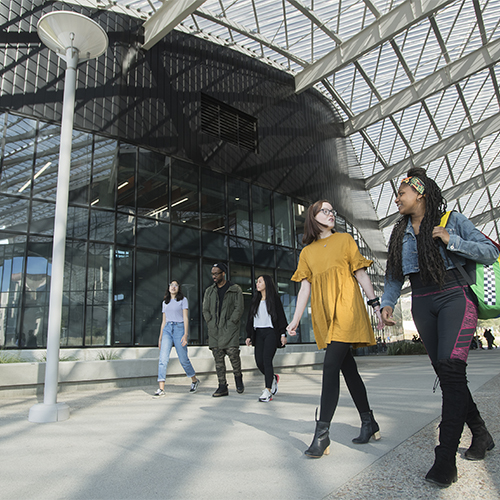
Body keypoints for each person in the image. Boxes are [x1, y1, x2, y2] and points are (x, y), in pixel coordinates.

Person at [380, 167, 498, 487]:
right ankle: (481, 434)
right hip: (421, 302)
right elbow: (393, 276)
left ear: (420, 194)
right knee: (449, 375)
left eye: (401, 193)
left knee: (450, 367)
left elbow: (490, 251)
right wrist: (387, 303)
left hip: (454, 296)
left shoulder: (453, 221)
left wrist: (452, 240)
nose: (396, 199)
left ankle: (445, 457)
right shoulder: (399, 233)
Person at [287, 200, 383, 458]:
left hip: (347, 310)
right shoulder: (307, 252)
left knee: (330, 368)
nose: (331, 215)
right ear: (313, 216)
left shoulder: (345, 240)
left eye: (332, 211)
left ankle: (322, 435)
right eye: (325, 211)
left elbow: (361, 274)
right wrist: (295, 319)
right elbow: (304, 288)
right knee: (348, 369)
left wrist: (375, 305)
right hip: (326, 316)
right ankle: (369, 422)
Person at [203, 262, 245, 397]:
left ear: (223, 273)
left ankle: (238, 378)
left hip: (230, 329)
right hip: (214, 330)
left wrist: (232, 322)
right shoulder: (209, 291)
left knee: (234, 356)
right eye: (212, 274)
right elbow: (205, 309)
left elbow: (239, 308)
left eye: (216, 273)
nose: (214, 276)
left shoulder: (235, 289)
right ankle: (222, 386)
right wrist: (210, 322)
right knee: (218, 360)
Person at [154, 280, 200, 398]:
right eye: (171, 285)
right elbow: (163, 321)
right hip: (167, 330)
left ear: (178, 288)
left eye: (175, 285)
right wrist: (160, 338)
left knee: (183, 358)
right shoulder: (165, 302)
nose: (173, 287)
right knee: (163, 359)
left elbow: (185, 318)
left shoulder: (183, 300)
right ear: (168, 287)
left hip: (179, 329)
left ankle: (194, 380)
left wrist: (185, 334)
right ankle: (161, 388)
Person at [245, 275, 288, 402]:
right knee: (259, 362)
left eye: (260, 282)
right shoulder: (255, 300)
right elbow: (250, 319)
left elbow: (281, 317)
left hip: (270, 333)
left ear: (266, 284)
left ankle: (268, 390)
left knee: (267, 360)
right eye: (257, 282)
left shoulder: (274, 299)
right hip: (258, 333)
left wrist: (282, 334)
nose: (257, 284)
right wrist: (249, 335)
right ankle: (273, 378)